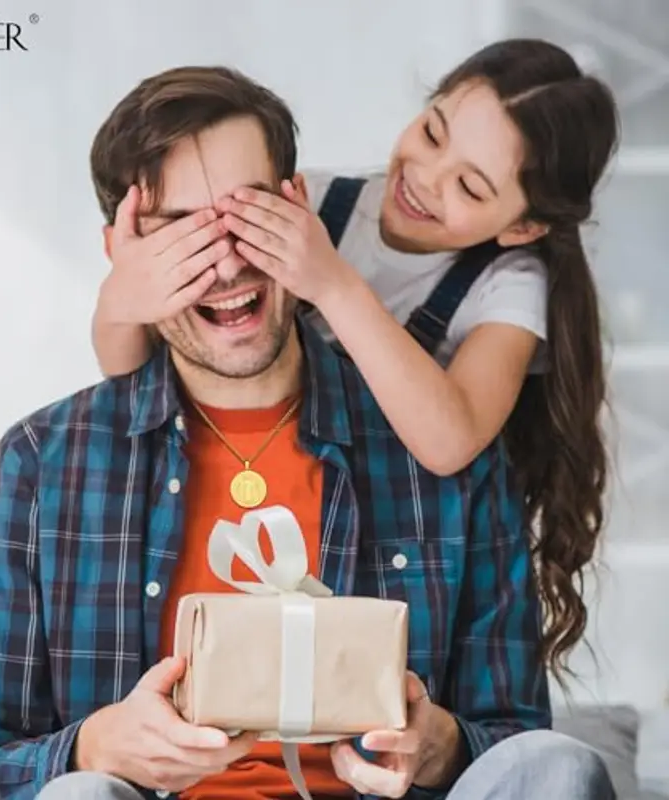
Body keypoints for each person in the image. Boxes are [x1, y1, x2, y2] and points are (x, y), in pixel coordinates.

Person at [0, 65, 615, 800]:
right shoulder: (41, 465)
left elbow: (512, 741)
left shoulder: (442, 445)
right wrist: (93, 746)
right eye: (182, 233)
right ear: (125, 256)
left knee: (559, 766)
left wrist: (440, 746)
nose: (226, 258)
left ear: (300, 214)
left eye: (248, 216)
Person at [91, 39, 620, 678]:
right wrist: (122, 301)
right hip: (247, 496)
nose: (426, 177)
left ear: (523, 226)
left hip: (382, 542)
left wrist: (332, 283)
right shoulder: (326, 200)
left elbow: (451, 439)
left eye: (470, 187)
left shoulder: (508, 284)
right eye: (432, 132)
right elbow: (128, 375)